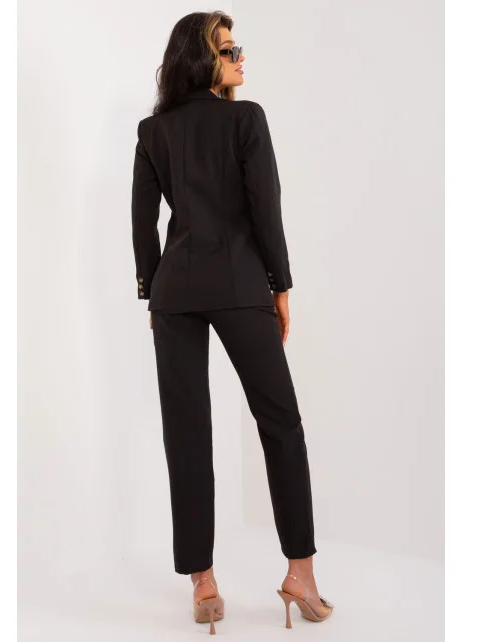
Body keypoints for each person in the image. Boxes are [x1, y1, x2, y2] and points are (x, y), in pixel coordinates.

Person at [130, 10, 334, 633]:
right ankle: (300, 575)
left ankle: (204, 583)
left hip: (176, 292)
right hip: (242, 282)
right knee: (281, 423)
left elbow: (142, 221)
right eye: (228, 49)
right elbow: (265, 206)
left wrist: (152, 292)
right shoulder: (246, 119)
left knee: (186, 433)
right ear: (202, 59)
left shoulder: (153, 130)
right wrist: (281, 285)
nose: (241, 57)